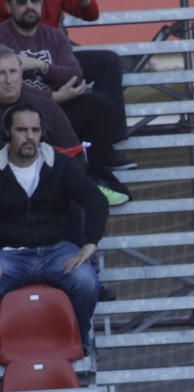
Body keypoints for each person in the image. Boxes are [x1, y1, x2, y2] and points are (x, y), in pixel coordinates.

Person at [0, 0, 128, 204]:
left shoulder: (53, 35)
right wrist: (52, 97)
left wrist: (42, 66)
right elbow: (8, 85)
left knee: (100, 105)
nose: (29, 7)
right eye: (22, 2)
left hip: (54, 109)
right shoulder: (3, 38)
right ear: (9, 7)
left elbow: (74, 73)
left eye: (35, 2)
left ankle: (92, 177)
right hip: (16, 110)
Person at [0, 105, 106, 349]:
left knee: (86, 282)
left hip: (57, 251)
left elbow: (95, 199)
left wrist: (89, 244)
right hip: (9, 256)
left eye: (35, 130)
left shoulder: (61, 164)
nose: (29, 137)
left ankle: (78, 342)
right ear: (8, 132)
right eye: (22, 130)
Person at [0, 45, 79, 151]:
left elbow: (74, 155)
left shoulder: (48, 108)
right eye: (1, 73)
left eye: (13, 71)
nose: (9, 80)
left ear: (21, 73)